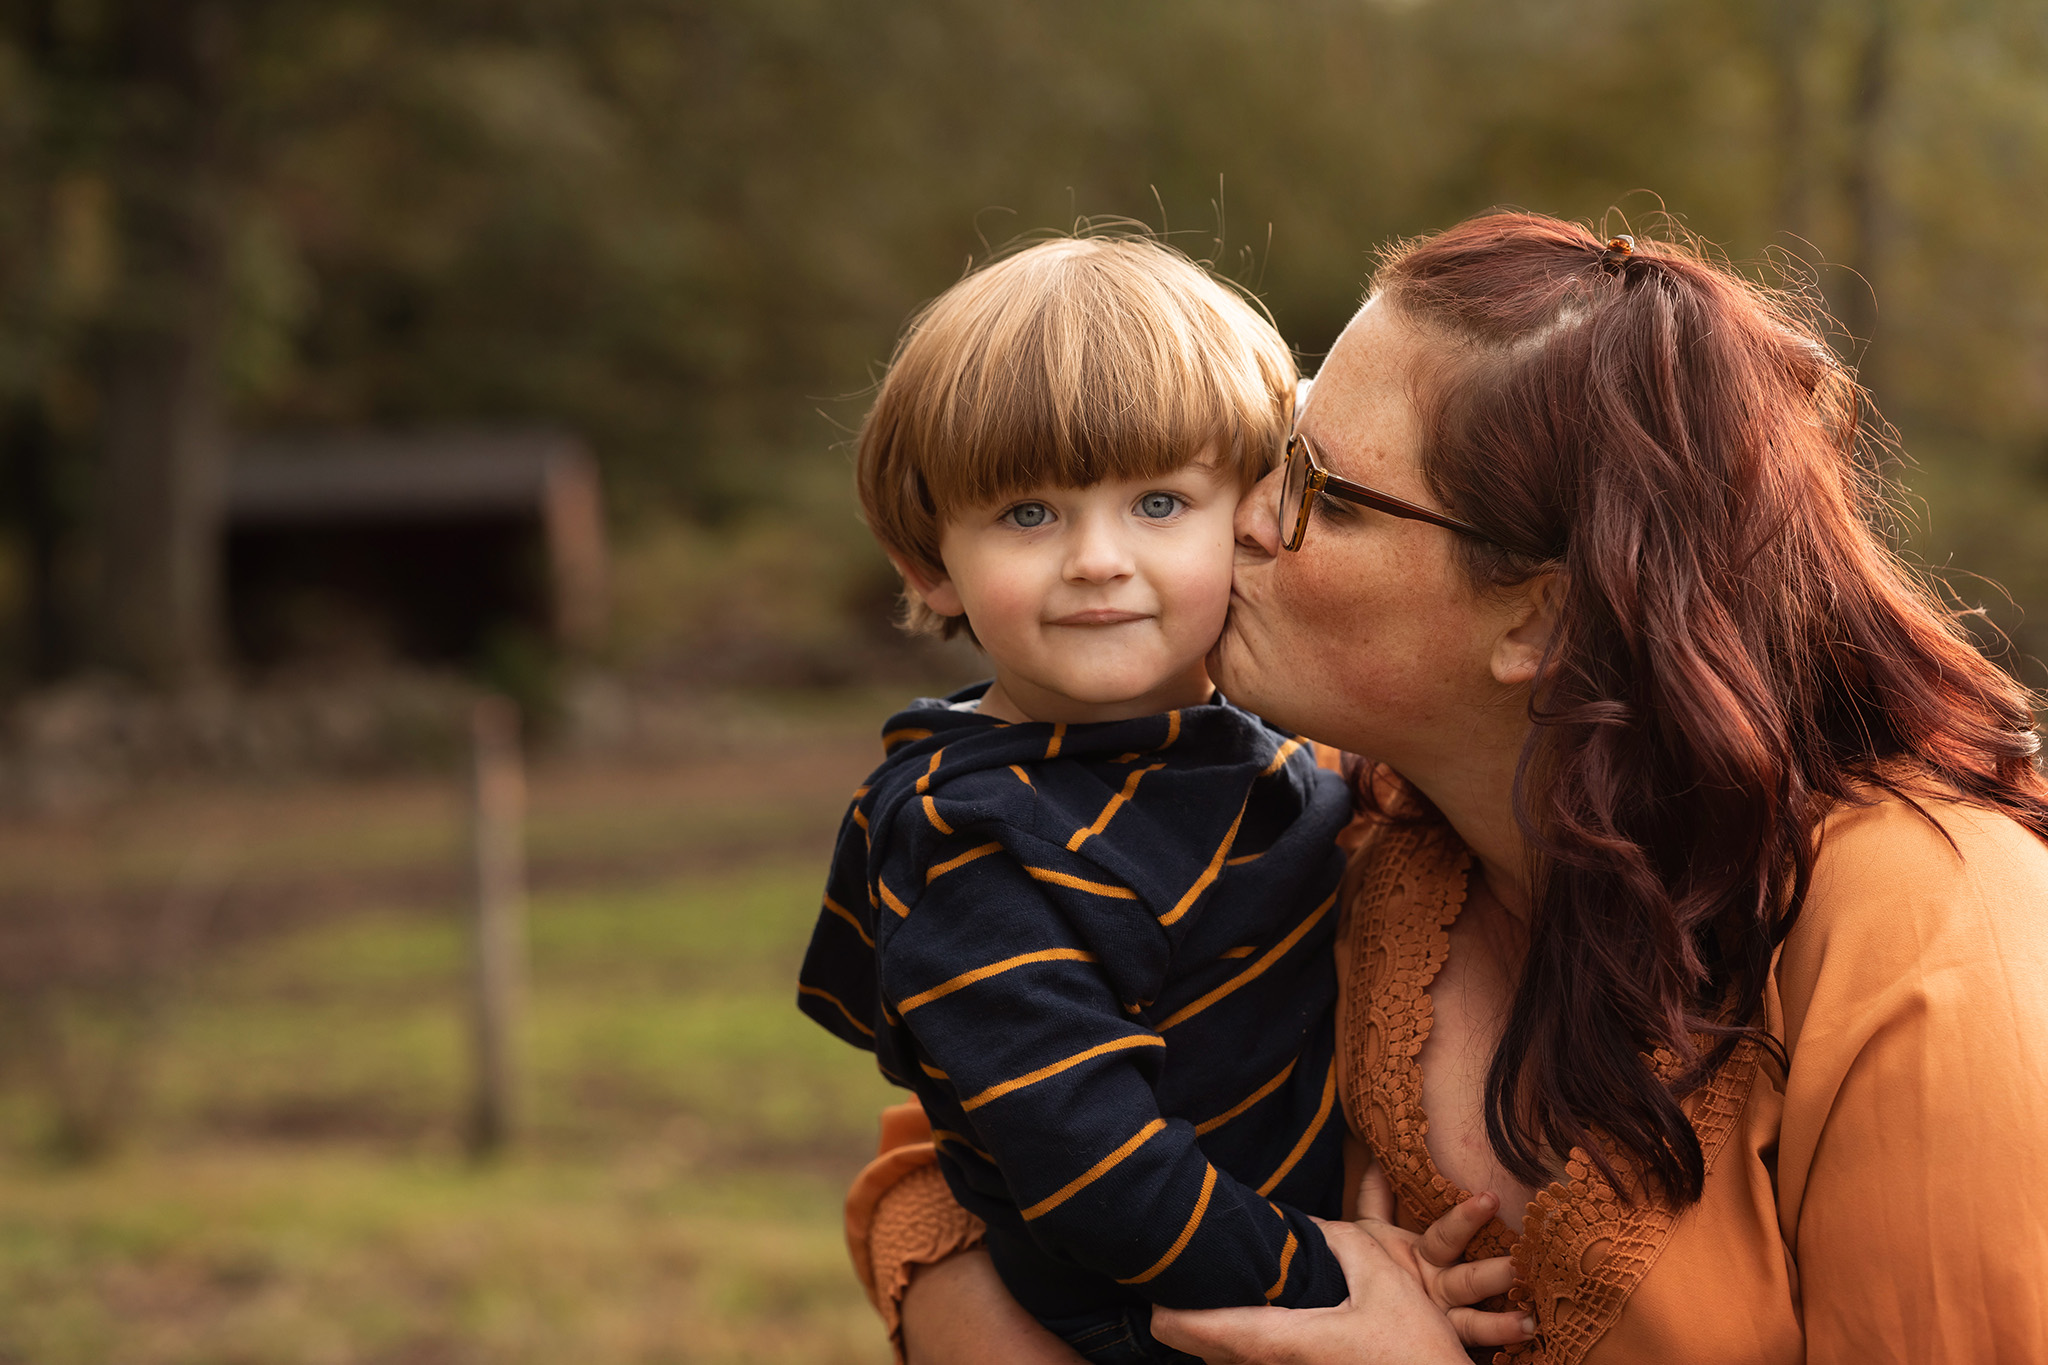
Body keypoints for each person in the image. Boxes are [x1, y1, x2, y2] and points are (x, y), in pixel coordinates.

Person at [854, 213, 2048, 1365]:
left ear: (1537, 612)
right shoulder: (1326, 804)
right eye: (1273, 451)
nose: (1239, 523)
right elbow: (964, 1123)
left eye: (1316, 487)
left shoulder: (1932, 932)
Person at [796, 236, 1519, 1364]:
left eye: (1156, 502)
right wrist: (1336, 1277)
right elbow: (1093, 1166)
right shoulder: (981, 841)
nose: (1095, 559)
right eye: (1027, 515)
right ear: (928, 563)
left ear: (1253, 518)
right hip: (1169, 1320)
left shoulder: (1258, 747)